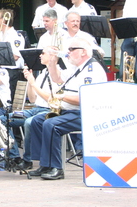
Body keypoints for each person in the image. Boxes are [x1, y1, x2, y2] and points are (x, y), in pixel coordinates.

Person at [27, 37, 107, 180]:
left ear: (83, 52)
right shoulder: (76, 68)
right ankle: (44, 164)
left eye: (71, 49)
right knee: (37, 121)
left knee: (51, 124)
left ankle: (57, 168)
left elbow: (84, 99)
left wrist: (61, 96)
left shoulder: (92, 70)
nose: (68, 52)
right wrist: (52, 62)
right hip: (68, 111)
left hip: (85, 113)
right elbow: (57, 78)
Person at [6, 46, 60, 170]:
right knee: (4, 119)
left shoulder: (58, 74)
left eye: (43, 53)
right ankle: (15, 156)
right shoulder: (42, 73)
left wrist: (33, 83)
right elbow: (33, 99)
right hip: (35, 108)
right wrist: (31, 83)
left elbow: (50, 99)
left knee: (30, 123)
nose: (40, 56)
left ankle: (28, 159)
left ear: (52, 56)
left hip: (49, 110)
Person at [0, 8, 24, 101]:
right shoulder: (0, 35)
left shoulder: (15, 36)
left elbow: (16, 56)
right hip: (0, 70)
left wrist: (0, 49)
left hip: (12, 72)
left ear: (3, 20)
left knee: (10, 101)